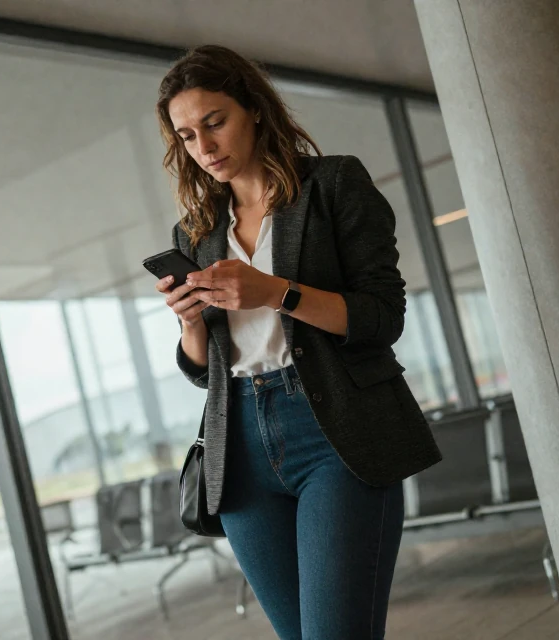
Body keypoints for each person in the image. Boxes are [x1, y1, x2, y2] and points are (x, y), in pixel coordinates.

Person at [155, 45, 441, 640]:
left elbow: (382, 316)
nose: (204, 149)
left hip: (334, 430)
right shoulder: (198, 231)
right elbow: (203, 369)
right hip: (240, 450)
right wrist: (188, 324)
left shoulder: (333, 185)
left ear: (254, 110)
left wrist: (275, 291)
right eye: (186, 136)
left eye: (215, 123)